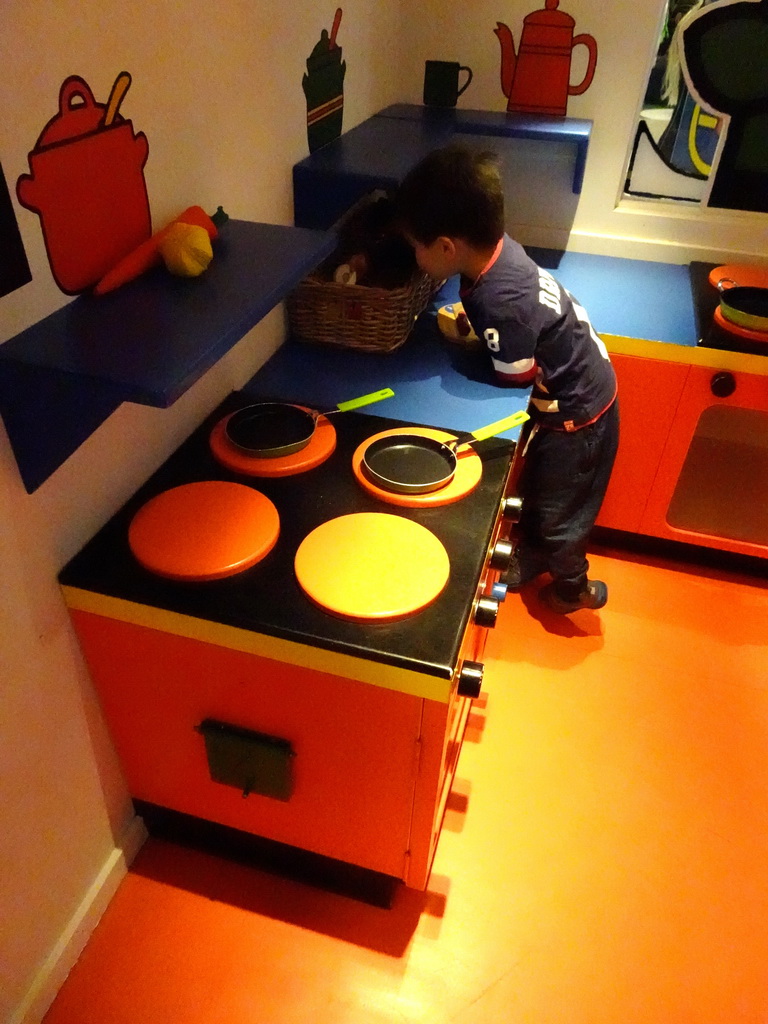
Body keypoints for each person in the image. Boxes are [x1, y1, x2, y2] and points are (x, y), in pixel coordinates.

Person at [394, 144, 619, 614]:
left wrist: (467, 353)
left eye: (416, 247)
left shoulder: (500, 302)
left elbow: (516, 375)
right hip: (579, 394)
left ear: (446, 248)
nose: (414, 257)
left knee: (562, 512)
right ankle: (534, 557)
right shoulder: (498, 254)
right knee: (543, 489)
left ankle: (572, 585)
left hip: (579, 417)